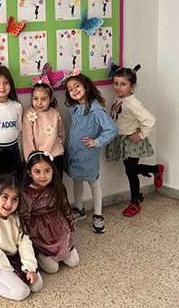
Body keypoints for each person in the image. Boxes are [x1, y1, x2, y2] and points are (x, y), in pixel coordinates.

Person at [106, 64, 165, 217]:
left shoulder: (132, 102)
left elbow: (150, 120)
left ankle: (135, 202)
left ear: (131, 86)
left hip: (132, 141)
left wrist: (141, 135)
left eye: (123, 84)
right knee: (130, 169)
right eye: (116, 83)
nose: (118, 87)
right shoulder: (119, 98)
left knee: (131, 172)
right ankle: (156, 169)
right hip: (123, 140)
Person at [64, 70, 118, 234]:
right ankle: (78, 209)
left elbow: (112, 129)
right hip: (74, 153)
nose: (74, 90)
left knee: (93, 182)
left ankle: (98, 215)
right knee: (76, 179)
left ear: (86, 86)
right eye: (70, 89)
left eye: (77, 86)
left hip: (88, 155)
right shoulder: (75, 108)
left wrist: (97, 142)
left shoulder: (96, 110)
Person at [0, 175, 43, 301]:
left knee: (37, 285)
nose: (9, 204)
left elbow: (24, 242)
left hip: (11, 256)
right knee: (22, 292)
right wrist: (13, 271)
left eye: (14, 199)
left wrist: (29, 268)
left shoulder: (16, 217)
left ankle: (18, 273)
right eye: (5, 197)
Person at [20, 151, 79, 273]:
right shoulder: (26, 193)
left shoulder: (57, 187)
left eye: (47, 171)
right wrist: (27, 240)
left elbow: (65, 207)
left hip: (59, 228)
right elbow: (25, 217)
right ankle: (40, 253)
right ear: (29, 173)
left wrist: (70, 223)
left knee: (74, 262)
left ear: (53, 171)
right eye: (37, 172)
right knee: (52, 269)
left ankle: (63, 249)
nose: (43, 176)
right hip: (40, 233)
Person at [22, 77, 66, 176]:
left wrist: (58, 146)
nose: (39, 102)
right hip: (37, 158)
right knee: (40, 183)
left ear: (51, 99)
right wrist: (31, 159)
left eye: (44, 99)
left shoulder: (55, 113)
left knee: (56, 182)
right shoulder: (29, 114)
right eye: (35, 98)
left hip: (55, 156)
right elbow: (27, 140)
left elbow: (61, 133)